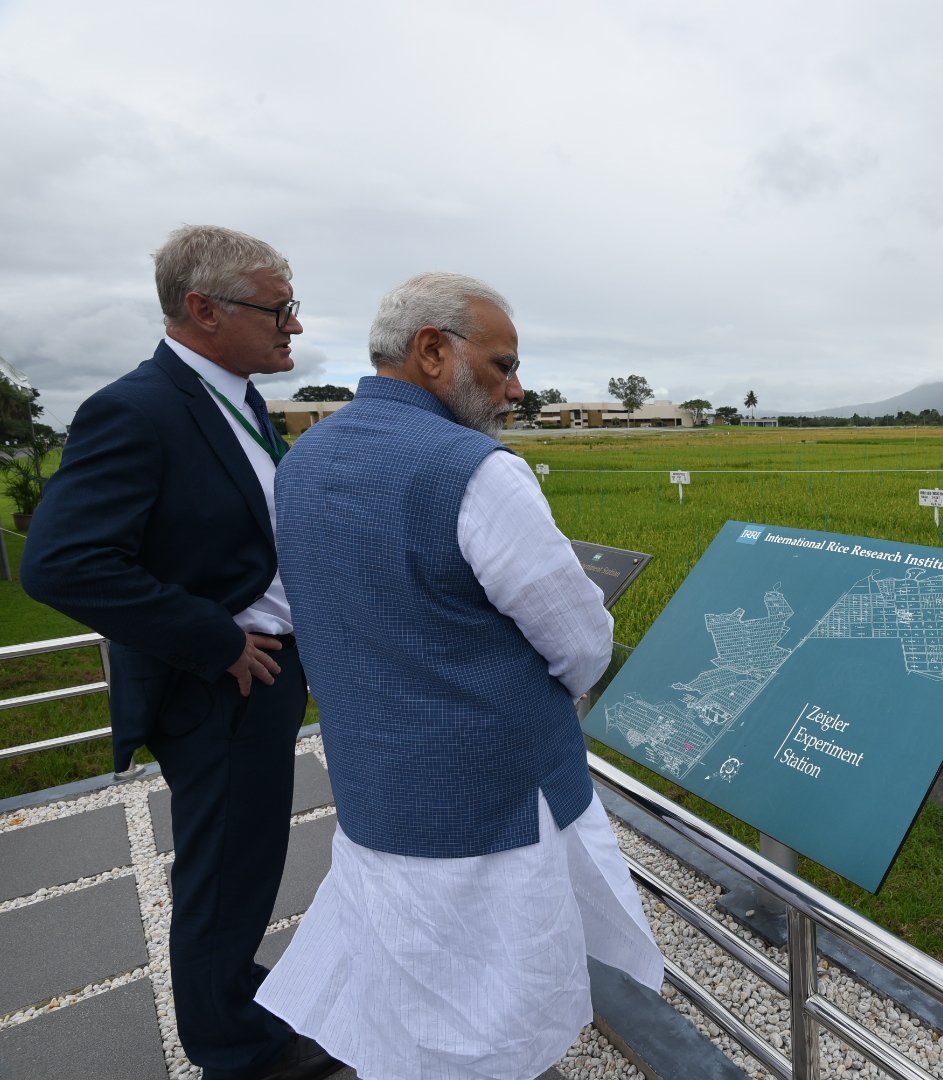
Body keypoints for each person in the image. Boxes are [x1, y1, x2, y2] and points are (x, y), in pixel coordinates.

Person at [257, 272, 663, 1079]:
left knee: (410, 981)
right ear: (433, 351)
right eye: (502, 364)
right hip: (494, 800)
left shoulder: (301, 461)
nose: (515, 389)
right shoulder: (476, 471)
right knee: (503, 998)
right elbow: (579, 640)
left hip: (378, 788)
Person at [22, 226, 340, 1080]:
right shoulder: (139, 408)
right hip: (219, 685)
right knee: (226, 877)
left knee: (244, 863)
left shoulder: (235, 398)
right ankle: (238, 1052)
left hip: (261, 674)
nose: (294, 329)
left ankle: (232, 993)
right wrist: (213, 637)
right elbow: (59, 562)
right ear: (203, 309)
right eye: (279, 310)